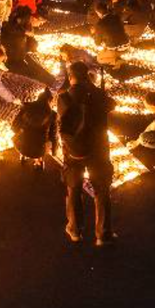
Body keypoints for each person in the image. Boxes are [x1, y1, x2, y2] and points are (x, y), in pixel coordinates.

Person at [57, 62, 115, 246]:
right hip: (98, 149)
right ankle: (102, 235)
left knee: (73, 189)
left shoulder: (64, 97)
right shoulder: (98, 94)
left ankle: (75, 230)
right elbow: (111, 106)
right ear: (87, 75)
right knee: (101, 191)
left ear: (70, 76)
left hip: (74, 152)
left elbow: (63, 124)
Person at [11, 89, 58, 169]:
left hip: (21, 146)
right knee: (43, 144)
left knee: (23, 140)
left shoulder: (26, 107)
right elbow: (53, 136)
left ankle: (23, 155)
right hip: (39, 150)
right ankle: (38, 160)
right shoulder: (53, 115)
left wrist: (21, 132)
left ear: (38, 99)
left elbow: (14, 127)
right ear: (50, 101)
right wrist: (54, 151)